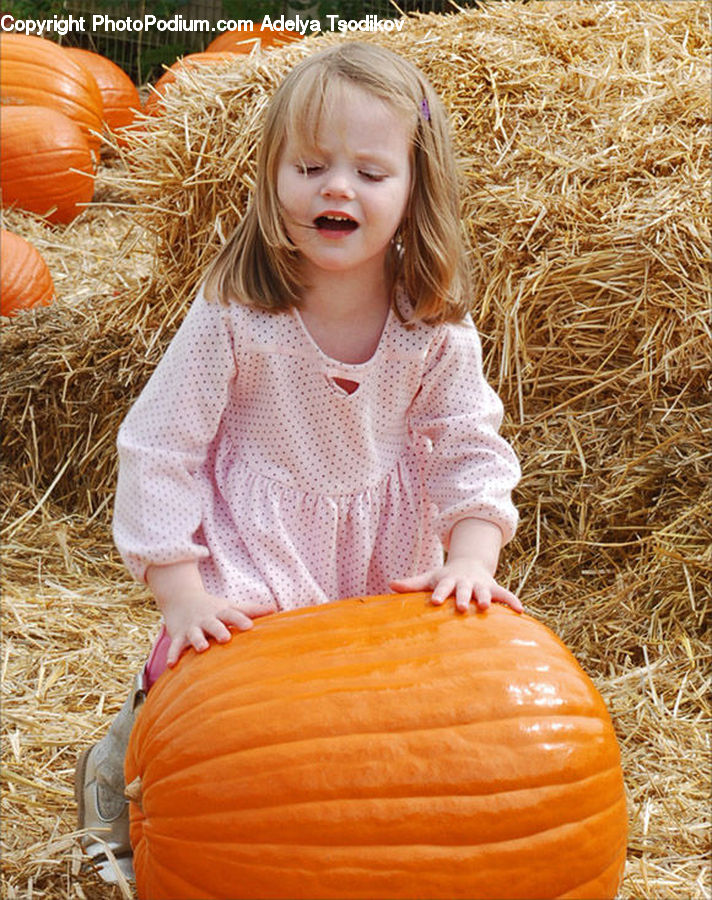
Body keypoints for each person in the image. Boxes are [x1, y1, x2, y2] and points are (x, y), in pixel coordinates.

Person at [75, 40, 522, 883]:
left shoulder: (432, 327)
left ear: (416, 188)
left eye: (369, 171)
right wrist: (180, 590)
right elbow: (160, 444)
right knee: (212, 687)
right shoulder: (239, 314)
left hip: (384, 560)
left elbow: (469, 444)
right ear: (272, 178)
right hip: (258, 548)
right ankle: (121, 767)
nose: (337, 188)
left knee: (358, 720)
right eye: (310, 165)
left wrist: (470, 557)